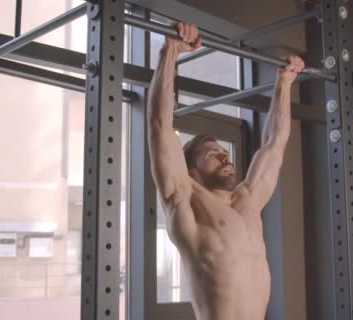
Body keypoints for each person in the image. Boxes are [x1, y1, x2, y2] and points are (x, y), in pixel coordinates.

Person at [147, 21, 304, 320]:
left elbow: (274, 143)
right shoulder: (185, 202)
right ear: (191, 171)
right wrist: (170, 53)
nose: (224, 157)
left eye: (224, 152)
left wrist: (283, 84)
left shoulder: (248, 200)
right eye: (212, 154)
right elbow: (159, 126)